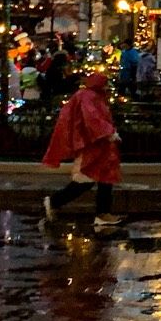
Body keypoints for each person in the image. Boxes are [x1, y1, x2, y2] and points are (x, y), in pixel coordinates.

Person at [42, 72, 122, 225]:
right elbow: (92, 118)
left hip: (97, 145)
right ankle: (55, 201)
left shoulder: (88, 95)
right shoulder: (89, 97)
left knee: (102, 178)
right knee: (88, 179)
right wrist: (108, 132)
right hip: (93, 146)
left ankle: (103, 213)